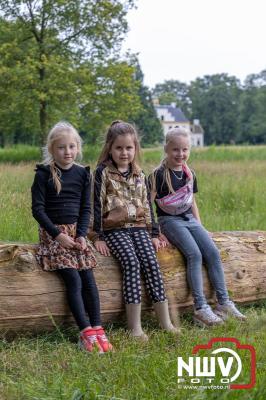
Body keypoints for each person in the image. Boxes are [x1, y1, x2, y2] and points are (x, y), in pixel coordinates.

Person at [149, 127, 246, 327]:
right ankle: (200, 307)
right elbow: (147, 205)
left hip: (189, 220)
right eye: (176, 149)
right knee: (194, 254)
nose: (181, 154)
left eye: (185, 149)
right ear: (166, 148)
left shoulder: (189, 173)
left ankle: (223, 302)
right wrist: (155, 230)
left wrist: (200, 227)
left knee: (212, 252)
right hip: (169, 221)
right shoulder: (157, 175)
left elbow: (192, 202)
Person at [92, 120, 178, 340]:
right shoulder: (102, 172)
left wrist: (153, 232)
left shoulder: (140, 174)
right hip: (114, 230)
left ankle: (165, 321)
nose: (124, 152)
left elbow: (148, 206)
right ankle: (135, 327)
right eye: (119, 148)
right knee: (131, 263)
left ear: (135, 149)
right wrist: (98, 236)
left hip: (139, 227)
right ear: (110, 148)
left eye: (129, 148)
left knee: (151, 263)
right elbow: (96, 205)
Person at [31, 121, 112, 353]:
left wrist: (83, 234)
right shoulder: (44, 174)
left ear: (78, 147)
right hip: (54, 235)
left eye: (72, 146)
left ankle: (98, 329)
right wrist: (57, 235)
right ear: (51, 150)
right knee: (73, 280)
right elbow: (38, 210)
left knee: (88, 279)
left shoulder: (82, 173)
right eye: (61, 148)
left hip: (77, 235)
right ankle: (85, 332)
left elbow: (86, 208)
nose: (67, 152)